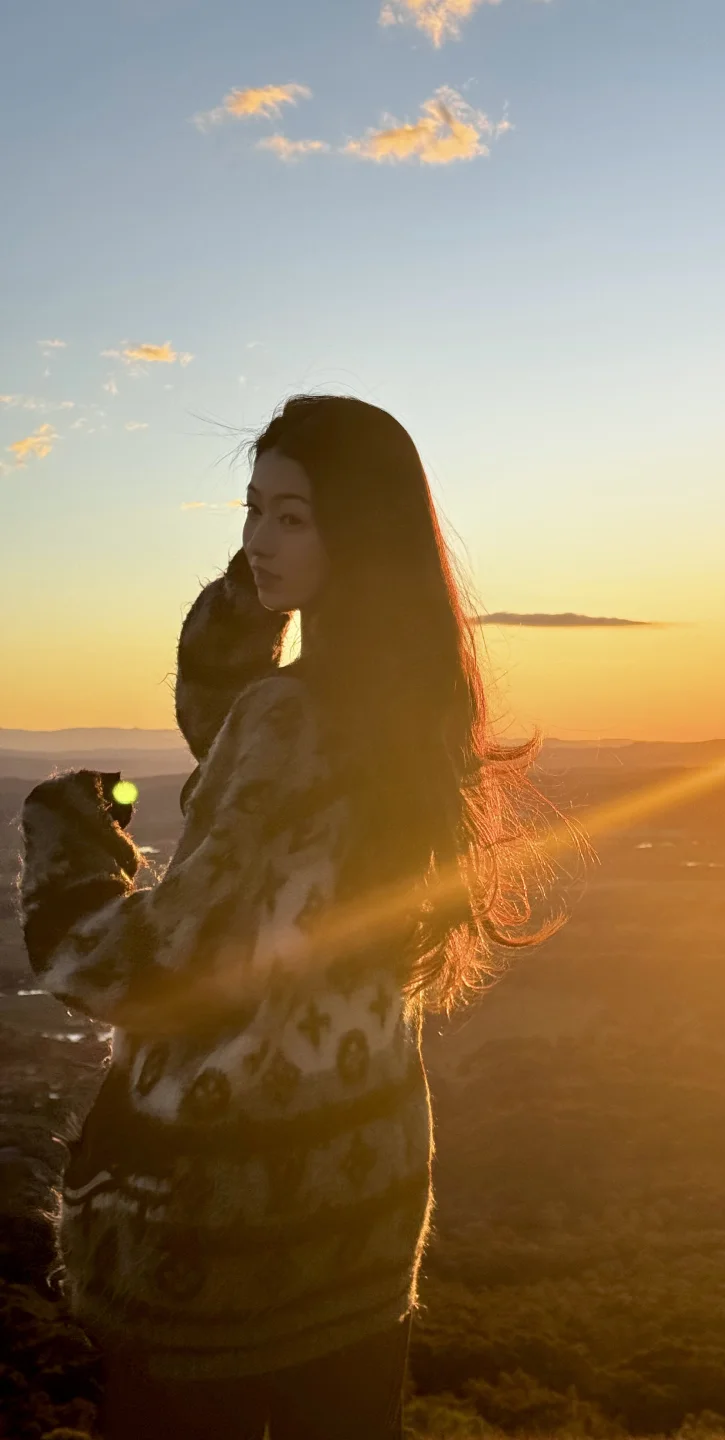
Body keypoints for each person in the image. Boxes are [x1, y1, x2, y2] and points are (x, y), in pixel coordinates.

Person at [17, 394, 592, 1439]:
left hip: (223, 1236)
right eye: (252, 511)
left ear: (357, 534)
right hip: (363, 1211)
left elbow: (140, 970)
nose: (256, 540)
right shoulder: (407, 705)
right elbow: (234, 741)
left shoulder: (293, 716)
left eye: (294, 516)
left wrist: (67, 840)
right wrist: (256, 596)